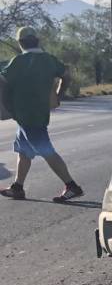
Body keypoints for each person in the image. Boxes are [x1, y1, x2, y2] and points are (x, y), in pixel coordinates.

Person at [0, 26, 83, 202]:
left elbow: (3, 82)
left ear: (20, 43)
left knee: (46, 151)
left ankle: (72, 186)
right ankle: (18, 187)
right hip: (36, 113)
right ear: (37, 40)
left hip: (27, 115)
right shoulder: (49, 60)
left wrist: (7, 106)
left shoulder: (18, 61)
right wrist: (59, 95)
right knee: (24, 151)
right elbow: (66, 75)